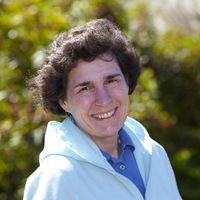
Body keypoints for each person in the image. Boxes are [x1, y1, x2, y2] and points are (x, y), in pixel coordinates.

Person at [23, 18, 182, 200]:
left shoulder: (154, 155)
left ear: (127, 82)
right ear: (63, 101)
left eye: (111, 80)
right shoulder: (56, 178)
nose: (103, 100)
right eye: (85, 88)